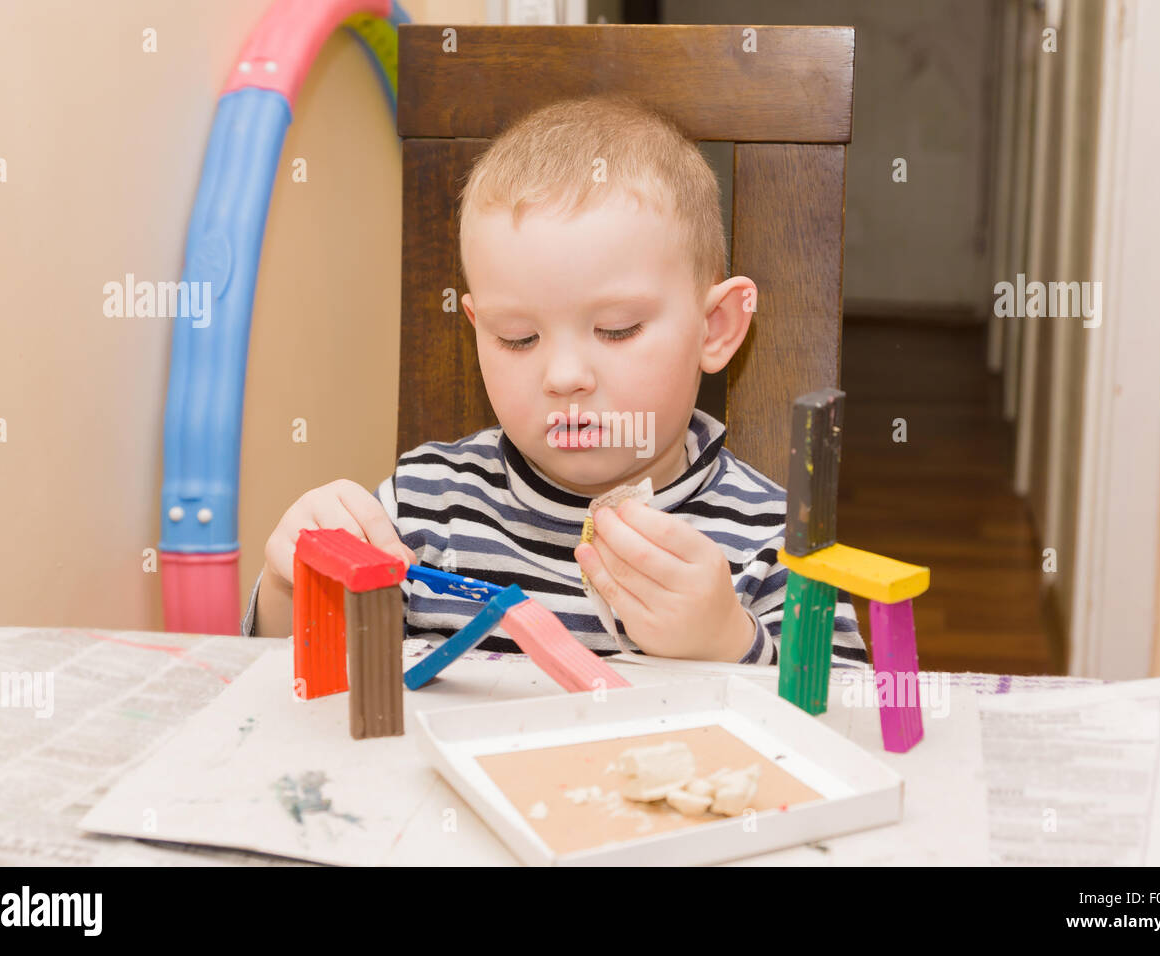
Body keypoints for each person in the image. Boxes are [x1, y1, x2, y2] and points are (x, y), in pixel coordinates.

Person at [244, 94, 867, 668]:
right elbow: (304, 685)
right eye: (518, 337)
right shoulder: (423, 509)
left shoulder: (778, 538)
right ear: (476, 329)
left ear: (715, 327)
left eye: (617, 329)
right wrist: (289, 587)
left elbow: (844, 725)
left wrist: (730, 643)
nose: (564, 377)